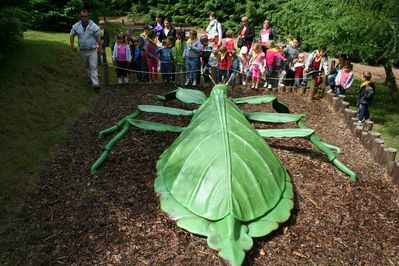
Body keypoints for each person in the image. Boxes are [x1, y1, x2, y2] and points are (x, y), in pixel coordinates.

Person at [70, 9, 103, 89]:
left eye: (85, 16)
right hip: (82, 51)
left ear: (88, 17)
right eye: (82, 16)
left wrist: (100, 49)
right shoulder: (77, 26)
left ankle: (95, 84)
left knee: (93, 66)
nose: (83, 18)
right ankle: (91, 79)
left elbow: (98, 37)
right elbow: (71, 35)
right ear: (80, 17)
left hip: (92, 51)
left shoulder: (94, 26)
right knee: (86, 67)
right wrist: (72, 46)